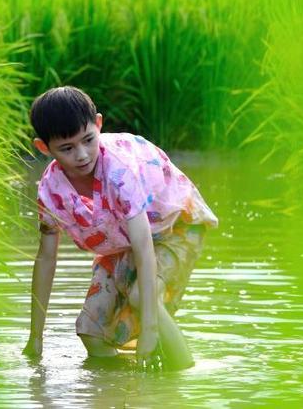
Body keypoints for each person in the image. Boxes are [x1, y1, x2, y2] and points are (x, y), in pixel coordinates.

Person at [22, 86, 218, 370]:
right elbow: (45, 259)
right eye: (67, 148)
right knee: (91, 331)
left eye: (88, 140)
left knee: (142, 297)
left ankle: (182, 378)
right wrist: (35, 337)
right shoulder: (51, 190)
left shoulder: (119, 171)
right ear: (44, 148)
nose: (82, 155)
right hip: (124, 240)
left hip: (176, 225)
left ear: (99, 125)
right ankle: (125, 386)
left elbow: (143, 246)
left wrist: (149, 330)